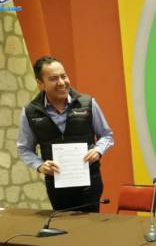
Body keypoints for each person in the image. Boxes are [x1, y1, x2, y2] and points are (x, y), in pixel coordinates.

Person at [17, 56, 114, 212]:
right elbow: (24, 148)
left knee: (90, 225)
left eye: (63, 76)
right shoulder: (30, 112)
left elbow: (106, 135)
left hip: (89, 182)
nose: (62, 82)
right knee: (63, 226)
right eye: (54, 78)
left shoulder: (88, 103)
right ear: (40, 83)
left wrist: (98, 150)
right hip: (57, 185)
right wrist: (40, 165)